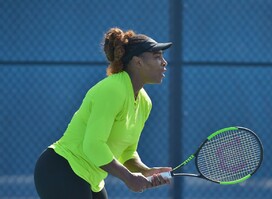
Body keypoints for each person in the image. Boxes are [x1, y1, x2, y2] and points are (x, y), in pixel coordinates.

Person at [34, 27, 173, 199]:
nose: (164, 62)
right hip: (61, 169)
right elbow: (93, 145)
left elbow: (127, 152)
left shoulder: (145, 102)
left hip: (91, 178)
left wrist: (146, 171)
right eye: (157, 57)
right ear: (138, 62)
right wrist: (128, 178)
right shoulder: (113, 89)